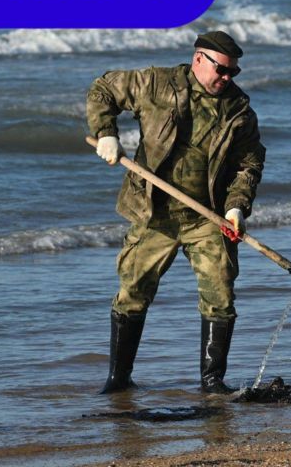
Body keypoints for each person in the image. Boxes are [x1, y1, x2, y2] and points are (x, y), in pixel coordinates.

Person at [87, 31, 266, 394]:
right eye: (222, 70)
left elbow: (249, 163)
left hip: (208, 216)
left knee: (220, 294)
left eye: (234, 72)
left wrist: (236, 207)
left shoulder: (238, 110)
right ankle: (119, 380)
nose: (228, 78)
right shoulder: (155, 84)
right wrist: (106, 133)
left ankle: (213, 382)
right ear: (199, 59)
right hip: (154, 213)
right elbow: (103, 89)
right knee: (133, 290)